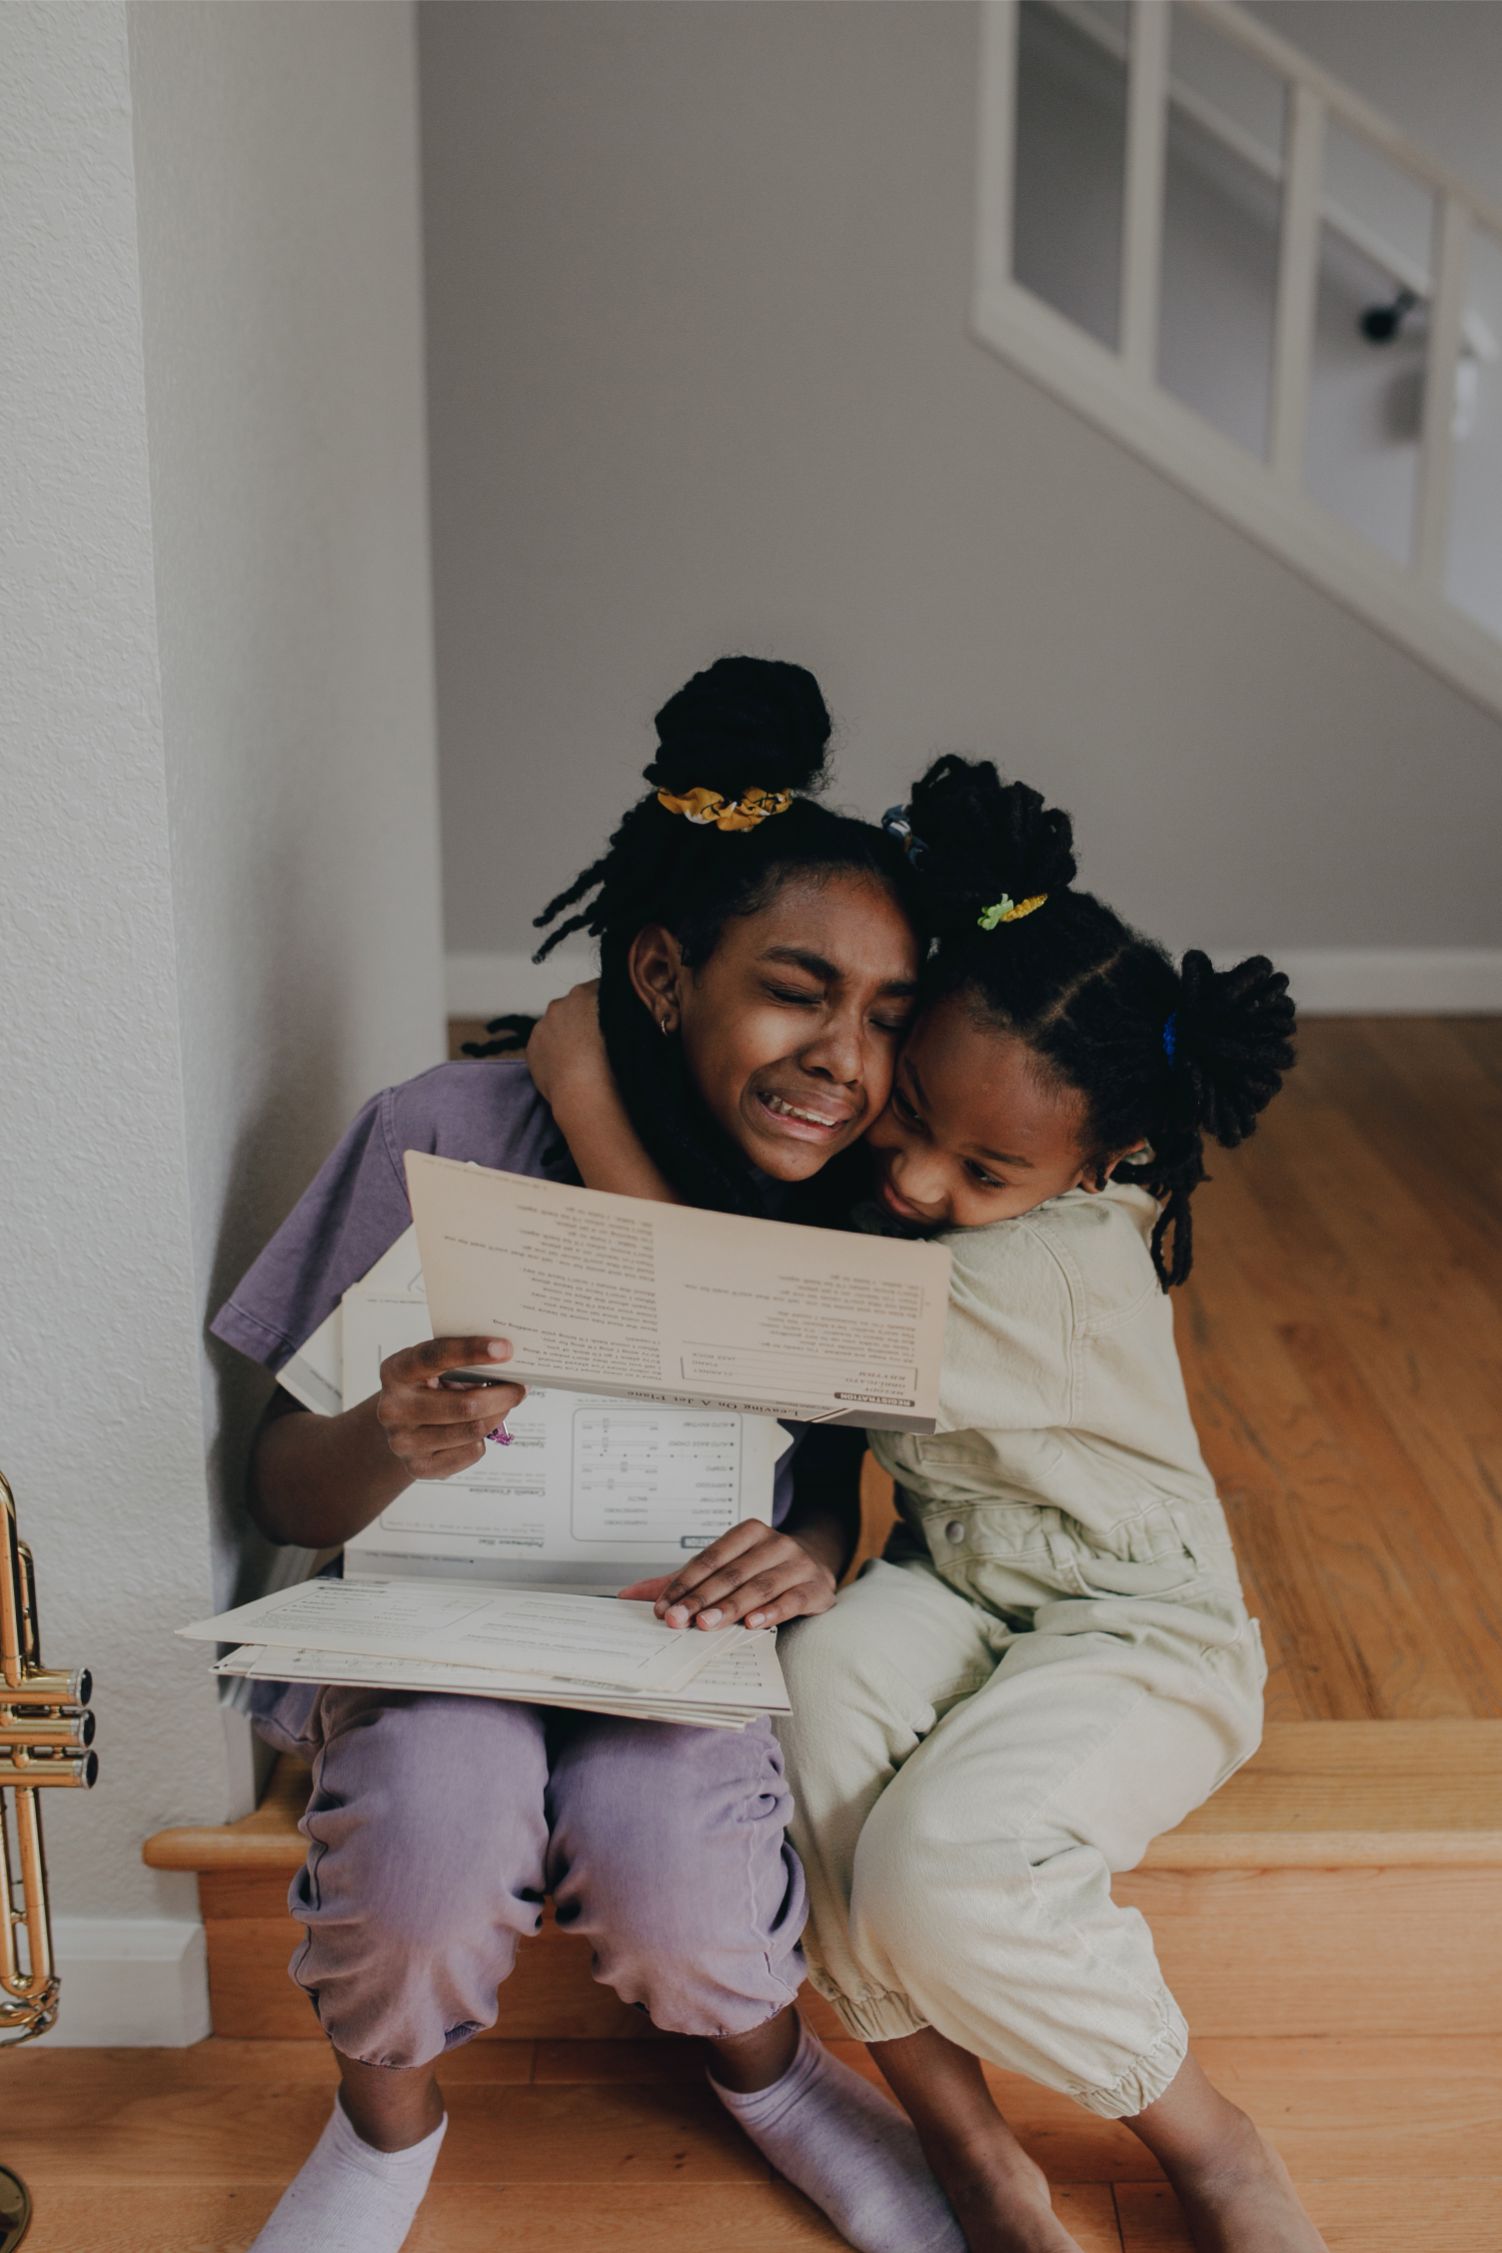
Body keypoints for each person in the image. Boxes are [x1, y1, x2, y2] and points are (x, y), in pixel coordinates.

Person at [210, 656, 966, 2253]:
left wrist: (815, 1546)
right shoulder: (444, 1127)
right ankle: (380, 2131)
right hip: (440, 1632)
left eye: (886, 1015)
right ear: (663, 970)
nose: (843, 1054)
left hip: (672, 1631)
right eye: (797, 985)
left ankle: (773, 2079)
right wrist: (382, 1437)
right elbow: (277, 1486)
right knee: (423, 1855)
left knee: (686, 1900)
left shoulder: (842, 1193)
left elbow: (821, 1469)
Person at [534, 755, 1325, 2253]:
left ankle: (1205, 2137)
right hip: (966, 1587)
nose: (905, 1176)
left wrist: (581, 1087)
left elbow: (712, 1310)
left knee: (931, 1869)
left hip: (1132, 1624)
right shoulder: (933, 1202)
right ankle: (966, 2147)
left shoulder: (1039, 1271)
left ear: (1103, 1162)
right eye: (904, 1122)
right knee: (807, 1695)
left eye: (979, 1165)